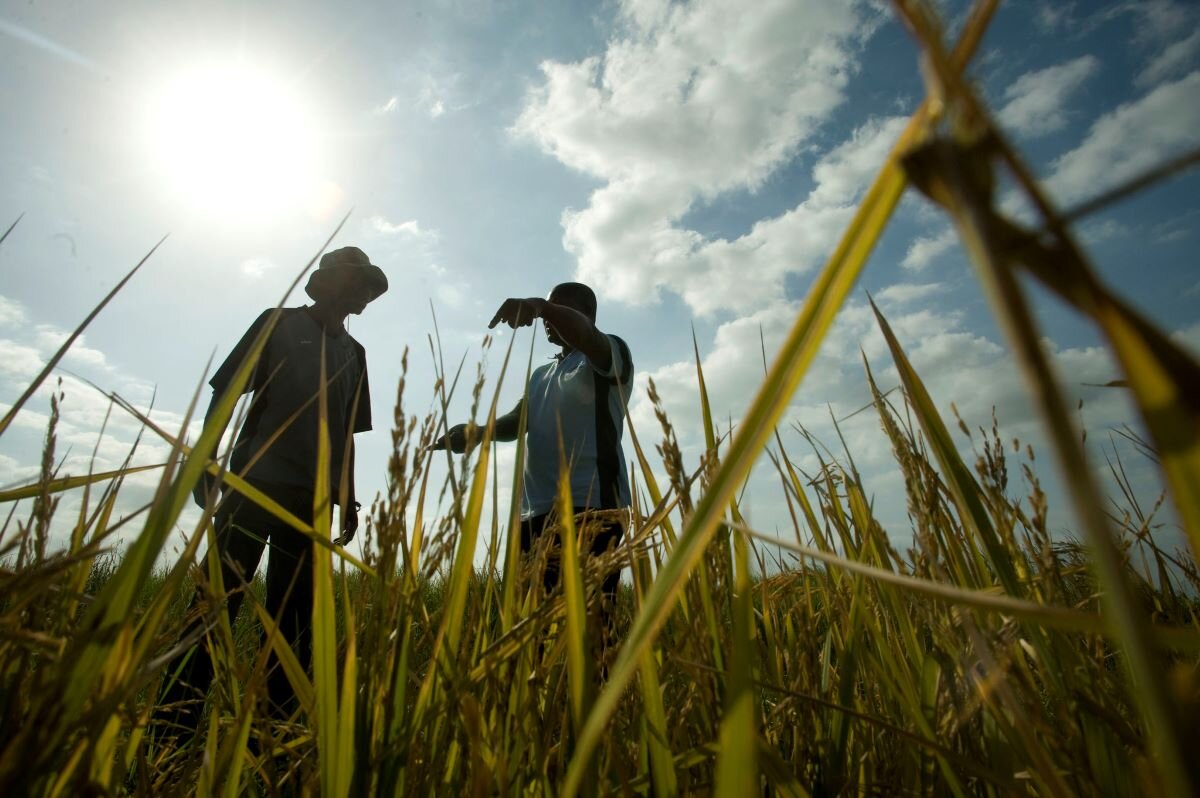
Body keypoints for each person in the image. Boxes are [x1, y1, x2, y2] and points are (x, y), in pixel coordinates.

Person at [156, 246, 386, 738]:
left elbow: (346, 432)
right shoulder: (277, 323)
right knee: (214, 604)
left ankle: (275, 736)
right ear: (328, 282)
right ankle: (170, 728)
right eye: (357, 280)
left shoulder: (356, 354)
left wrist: (347, 496)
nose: (364, 292)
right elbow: (228, 389)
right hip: (253, 485)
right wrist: (206, 458)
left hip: (311, 502)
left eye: (368, 286)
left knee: (294, 622)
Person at [431, 282, 633, 642]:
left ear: (583, 313)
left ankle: (600, 696)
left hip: (592, 507)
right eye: (547, 309)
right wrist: (478, 432)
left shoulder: (608, 353)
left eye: (560, 308)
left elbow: (585, 333)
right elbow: (517, 423)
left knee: (591, 626)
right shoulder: (542, 375)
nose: (546, 318)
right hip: (534, 513)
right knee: (532, 626)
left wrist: (540, 305)